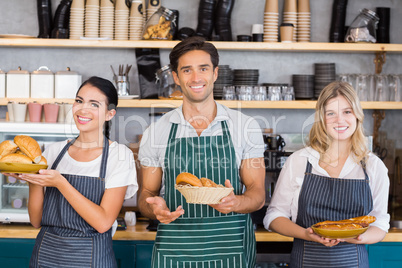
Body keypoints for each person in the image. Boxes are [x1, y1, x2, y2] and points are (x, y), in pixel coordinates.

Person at [138, 36, 266, 267]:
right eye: (187, 70)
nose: (196, 78)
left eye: (203, 69)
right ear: (176, 77)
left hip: (231, 250)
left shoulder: (245, 127)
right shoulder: (156, 132)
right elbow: (146, 193)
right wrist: (154, 209)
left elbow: (257, 194)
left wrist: (235, 202)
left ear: (215, 73)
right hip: (175, 250)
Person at [263, 81, 390, 267]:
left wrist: (355, 237)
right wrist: (306, 234)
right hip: (305, 261)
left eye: (347, 112)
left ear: (357, 115)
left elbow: (380, 224)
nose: (340, 120)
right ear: (321, 119)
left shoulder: (373, 166)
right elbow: (273, 216)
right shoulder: (299, 161)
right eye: (331, 113)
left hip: (353, 262)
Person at [15, 76, 137, 267]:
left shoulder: (119, 155)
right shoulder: (54, 152)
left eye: (94, 104)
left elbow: (103, 222)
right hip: (45, 255)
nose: (82, 109)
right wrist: (31, 179)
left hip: (91, 258)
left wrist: (61, 183)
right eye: (79, 101)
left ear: (110, 114)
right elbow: (36, 220)